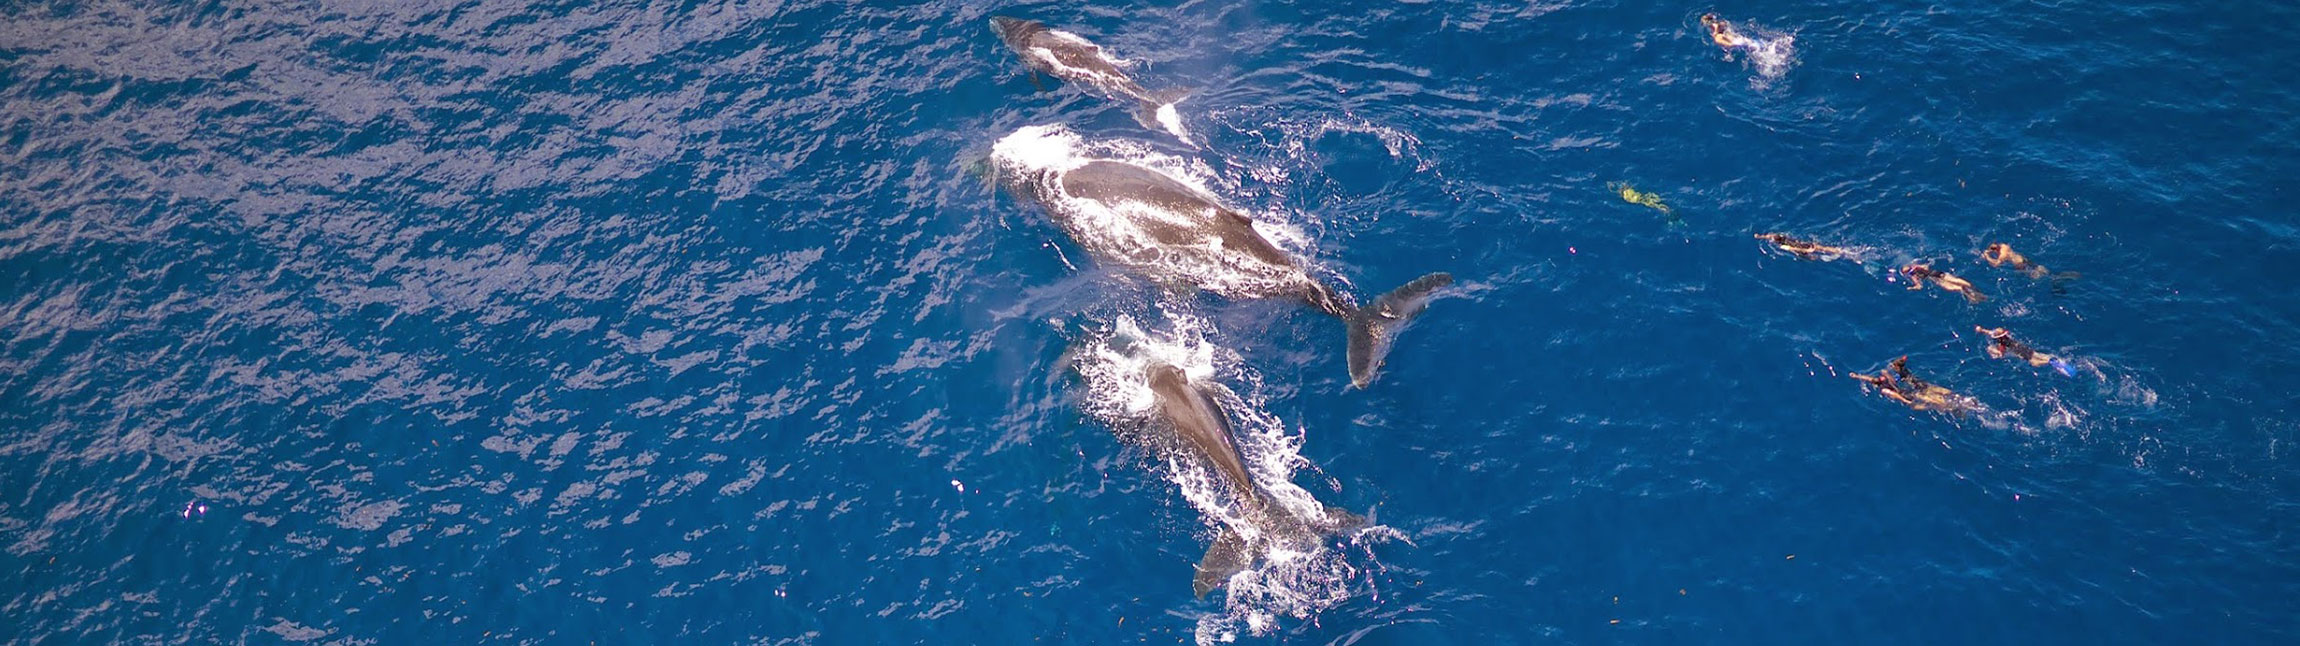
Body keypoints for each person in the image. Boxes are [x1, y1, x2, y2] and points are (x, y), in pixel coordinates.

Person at [1853, 356, 1981, 414]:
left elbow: (1871, 379)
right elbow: (1891, 391)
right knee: (1931, 396)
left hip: (1912, 394)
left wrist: (1857, 376)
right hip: (1912, 391)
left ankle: (1956, 406)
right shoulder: (1891, 382)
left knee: (1931, 402)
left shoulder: (1888, 383)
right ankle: (1960, 402)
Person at [1975, 326, 2076, 376]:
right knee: (2038, 354)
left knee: (2034, 363)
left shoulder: (2002, 344)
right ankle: (2053, 359)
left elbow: (2001, 354)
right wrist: (1982, 330)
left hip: (2024, 354)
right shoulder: (2007, 338)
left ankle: (2049, 362)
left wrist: (1993, 351)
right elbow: (1991, 332)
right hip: (2027, 349)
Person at [1902, 262, 1987, 303]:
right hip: (1938, 276)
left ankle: (1973, 293)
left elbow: (1919, 285)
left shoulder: (1916, 272)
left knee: (1954, 286)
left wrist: (1911, 288)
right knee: (1955, 285)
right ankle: (1973, 293)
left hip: (1937, 277)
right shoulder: (1915, 274)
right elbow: (1919, 285)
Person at [1754, 233, 1859, 262]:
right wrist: (1759, 236)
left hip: (1803, 249)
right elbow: (1769, 236)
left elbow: (1794, 249)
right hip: (1805, 243)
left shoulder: (1782, 246)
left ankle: (1850, 257)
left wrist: (1806, 251)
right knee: (1824, 248)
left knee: (1814, 258)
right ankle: (1845, 252)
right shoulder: (1781, 236)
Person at [1981, 243, 2049, 279]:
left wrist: (1987, 256)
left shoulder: (2003, 255)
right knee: (2035, 267)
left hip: (2019, 264)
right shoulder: (2004, 246)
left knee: (2035, 276)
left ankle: (2048, 277)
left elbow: (1996, 264)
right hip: (2022, 258)